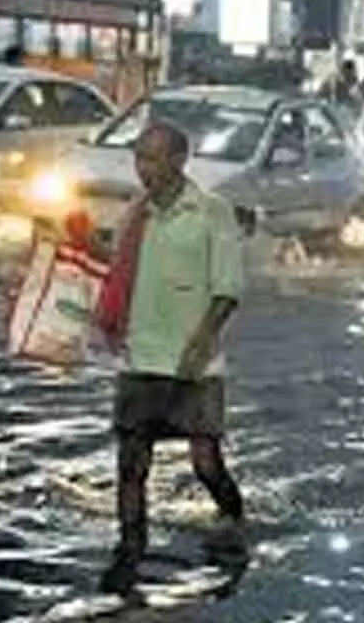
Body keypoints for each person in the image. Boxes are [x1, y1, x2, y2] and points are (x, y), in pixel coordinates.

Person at [95, 120, 248, 596]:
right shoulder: (135, 216)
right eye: (140, 158)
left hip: (192, 361)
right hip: (140, 356)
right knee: (131, 465)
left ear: (181, 159)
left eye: (155, 158)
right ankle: (129, 550)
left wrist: (203, 341)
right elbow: (115, 269)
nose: (145, 169)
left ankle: (232, 520)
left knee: (205, 462)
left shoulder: (211, 212)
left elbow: (227, 288)